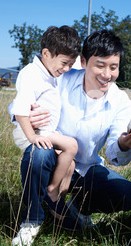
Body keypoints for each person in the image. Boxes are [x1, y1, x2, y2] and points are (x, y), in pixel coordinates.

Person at [10, 29, 131, 246]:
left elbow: (115, 154)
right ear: (83, 62)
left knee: (127, 194)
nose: (107, 74)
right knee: (38, 152)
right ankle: (31, 220)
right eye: (100, 65)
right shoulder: (62, 76)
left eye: (114, 67)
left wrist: (123, 144)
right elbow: (22, 98)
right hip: (55, 160)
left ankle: (78, 207)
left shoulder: (121, 102)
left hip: (86, 168)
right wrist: (21, 114)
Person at [11, 26, 80, 205]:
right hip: (34, 132)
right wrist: (33, 136)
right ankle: (51, 190)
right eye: (64, 63)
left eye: (71, 65)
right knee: (71, 146)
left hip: (46, 130)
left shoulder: (51, 72)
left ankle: (57, 204)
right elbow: (19, 108)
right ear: (46, 53)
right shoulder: (31, 75)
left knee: (70, 165)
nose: (67, 69)